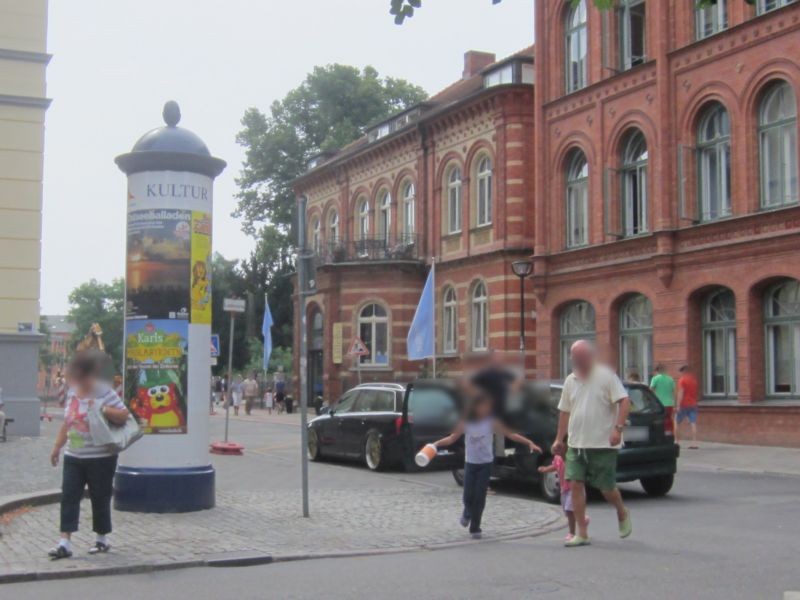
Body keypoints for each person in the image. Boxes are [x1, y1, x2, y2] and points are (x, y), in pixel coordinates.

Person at [48, 351, 130, 559]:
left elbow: (123, 416)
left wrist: (102, 408)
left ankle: (102, 539)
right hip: (74, 455)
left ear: (85, 374)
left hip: (101, 456)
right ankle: (64, 542)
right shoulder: (73, 392)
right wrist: (57, 447)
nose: (70, 378)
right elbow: (68, 422)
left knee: (100, 496)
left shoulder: (104, 392)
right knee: (69, 495)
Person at [552, 340, 632, 547]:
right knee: (575, 484)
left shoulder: (606, 376)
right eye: (573, 358)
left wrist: (618, 428)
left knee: (606, 488)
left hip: (603, 444)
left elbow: (624, 401)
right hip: (577, 444)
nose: (575, 361)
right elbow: (564, 411)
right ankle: (582, 532)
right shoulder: (570, 380)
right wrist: (559, 439)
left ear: (590, 357)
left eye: (578, 358)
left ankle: (621, 511)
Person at [433, 394, 542, 540]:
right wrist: (436, 444)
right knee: (468, 495)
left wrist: (529, 442)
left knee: (479, 496)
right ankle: (467, 512)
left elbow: (511, 434)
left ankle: (475, 527)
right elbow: (452, 438)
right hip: (470, 463)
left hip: (485, 463)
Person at [538, 447, 588, 542]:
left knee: (570, 511)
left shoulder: (572, 458)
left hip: (574, 489)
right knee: (567, 510)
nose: (557, 452)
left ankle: (572, 533)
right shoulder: (557, 458)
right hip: (564, 489)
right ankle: (583, 519)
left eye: (559, 449)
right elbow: (555, 466)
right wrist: (545, 469)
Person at [677, 364, 700, 449]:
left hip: (683, 404)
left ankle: (676, 441)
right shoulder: (694, 380)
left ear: (683, 371)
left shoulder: (682, 380)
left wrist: (678, 405)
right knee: (693, 423)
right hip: (693, 404)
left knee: (676, 422)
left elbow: (681, 393)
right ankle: (694, 443)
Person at [650, 363, 676, 430]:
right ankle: (669, 432)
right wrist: (675, 404)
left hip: (659, 404)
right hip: (670, 403)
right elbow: (674, 392)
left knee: (658, 420)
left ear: (657, 370)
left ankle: (660, 433)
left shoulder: (655, 378)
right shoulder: (670, 379)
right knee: (669, 419)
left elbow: (651, 391)